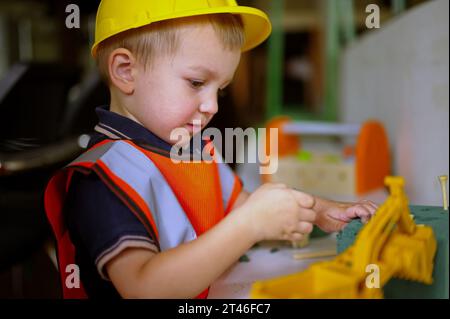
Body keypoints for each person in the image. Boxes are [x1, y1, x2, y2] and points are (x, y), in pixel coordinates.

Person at [45, 0, 377, 299]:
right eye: (196, 83)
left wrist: (319, 211)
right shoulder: (102, 178)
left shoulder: (189, 149)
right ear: (125, 71)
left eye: (221, 89)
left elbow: (236, 205)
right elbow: (144, 288)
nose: (212, 106)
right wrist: (251, 225)